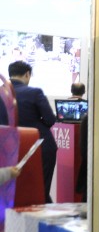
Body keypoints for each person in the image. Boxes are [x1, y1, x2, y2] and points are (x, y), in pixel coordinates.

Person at [8, 61, 57, 203]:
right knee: (41, 188)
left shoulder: (2, 93)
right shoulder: (34, 93)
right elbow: (50, 119)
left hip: (10, 148)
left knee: (17, 188)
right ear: (27, 74)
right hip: (40, 145)